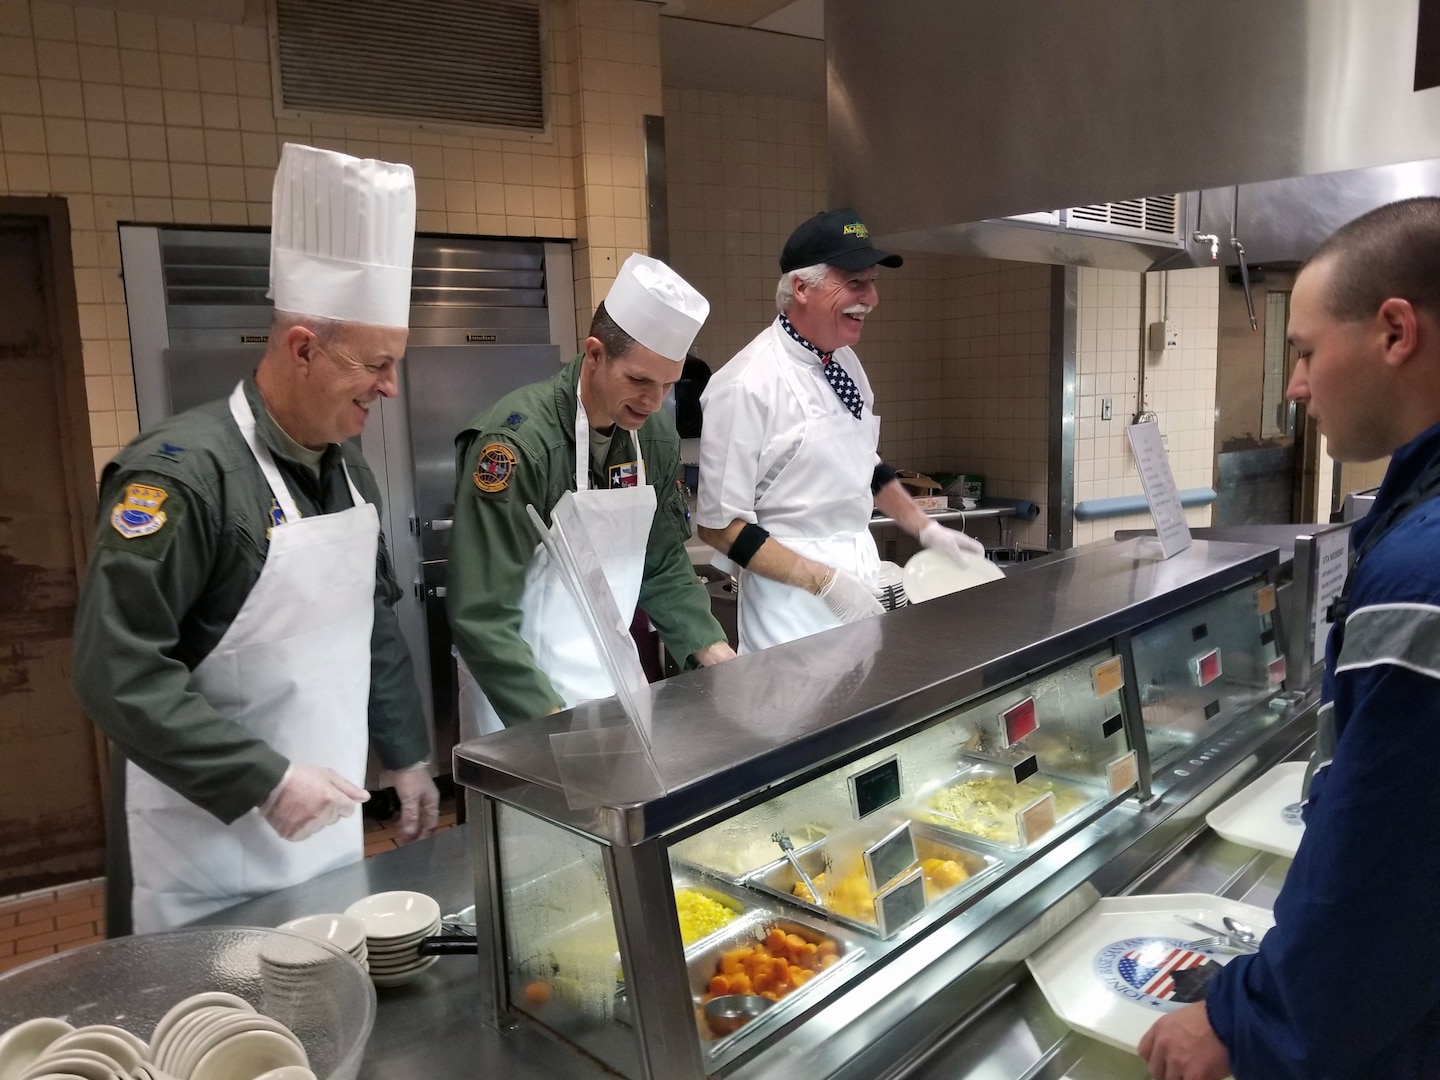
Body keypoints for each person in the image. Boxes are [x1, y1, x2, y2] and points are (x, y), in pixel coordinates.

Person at [71, 144, 439, 936]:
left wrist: (407, 755)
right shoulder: (182, 479)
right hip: (205, 853)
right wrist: (263, 778)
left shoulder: (350, 473)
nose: (390, 387)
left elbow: (371, 622)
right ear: (303, 348)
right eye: (376, 364)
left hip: (325, 837)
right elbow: (115, 668)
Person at [1139, 197, 1440, 1080]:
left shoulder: (1421, 576)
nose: (1295, 385)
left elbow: (1389, 875)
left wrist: (1242, 1017)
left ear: (1394, 332)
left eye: (1305, 350)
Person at [448, 253, 734, 737]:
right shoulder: (519, 446)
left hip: (615, 685)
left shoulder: (655, 439)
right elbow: (482, 615)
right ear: (594, 354)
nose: (652, 402)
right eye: (639, 380)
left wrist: (713, 652)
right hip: (522, 702)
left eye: (667, 385)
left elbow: (661, 562)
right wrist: (551, 730)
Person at [694, 208, 986, 654]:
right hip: (789, 615)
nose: (870, 298)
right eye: (854, 282)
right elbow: (719, 526)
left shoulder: (844, 362)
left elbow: (862, 463)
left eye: (872, 282)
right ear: (801, 288)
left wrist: (926, 528)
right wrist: (826, 583)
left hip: (861, 594)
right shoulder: (746, 384)